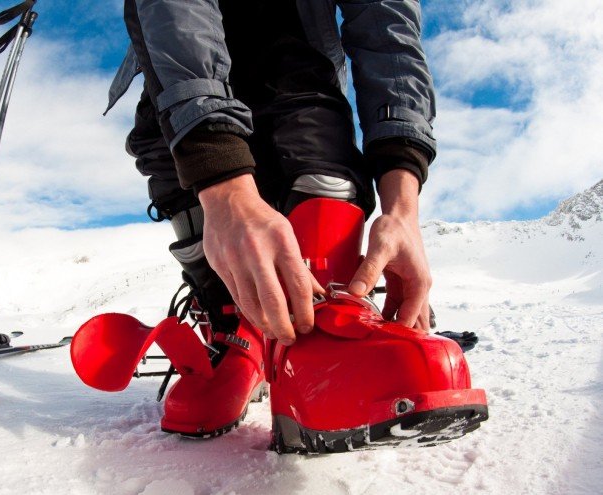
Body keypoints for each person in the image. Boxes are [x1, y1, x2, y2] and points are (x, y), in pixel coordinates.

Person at [103, 0, 439, 438]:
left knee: (319, 169)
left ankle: (327, 325)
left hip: (294, 51)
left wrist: (402, 207)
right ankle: (235, 329)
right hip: (176, 56)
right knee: (177, 175)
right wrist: (221, 180)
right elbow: (174, 12)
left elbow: (387, 28)